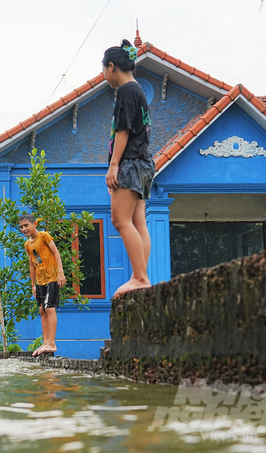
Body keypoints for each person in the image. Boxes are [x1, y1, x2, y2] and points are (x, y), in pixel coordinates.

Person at [102, 39, 154, 297]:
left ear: (111, 66)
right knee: (137, 221)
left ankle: (140, 277)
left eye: (103, 69)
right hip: (144, 162)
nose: (103, 75)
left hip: (130, 163)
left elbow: (122, 130)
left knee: (120, 220)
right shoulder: (138, 91)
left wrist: (113, 166)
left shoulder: (125, 90)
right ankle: (141, 277)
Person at [19, 213, 66, 357]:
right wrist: (32, 285)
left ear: (34, 224)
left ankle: (52, 343)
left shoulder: (44, 236)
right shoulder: (28, 244)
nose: (24, 229)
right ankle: (46, 342)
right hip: (40, 281)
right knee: (42, 310)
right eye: (21, 227)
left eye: (26, 225)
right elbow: (32, 265)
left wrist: (60, 273)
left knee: (50, 308)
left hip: (51, 277)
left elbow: (56, 253)